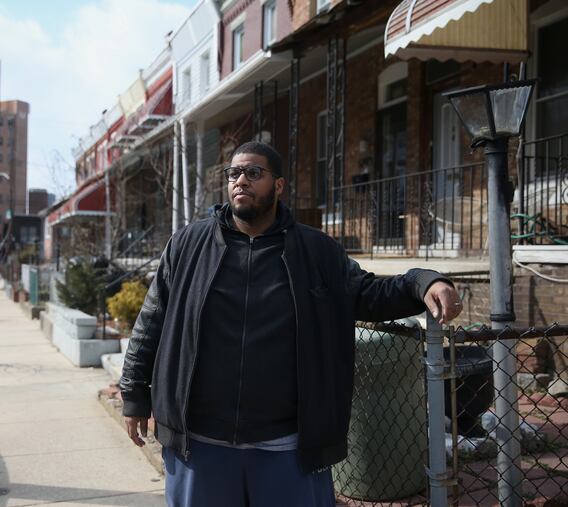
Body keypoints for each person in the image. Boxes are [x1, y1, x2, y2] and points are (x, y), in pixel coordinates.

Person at [120, 141, 462, 506]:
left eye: (253, 173)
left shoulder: (316, 251)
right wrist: (133, 393)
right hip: (200, 442)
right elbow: (151, 320)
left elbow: (369, 292)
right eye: (234, 173)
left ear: (278, 185)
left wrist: (423, 280)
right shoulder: (188, 245)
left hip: (288, 446)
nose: (241, 181)